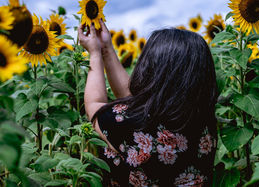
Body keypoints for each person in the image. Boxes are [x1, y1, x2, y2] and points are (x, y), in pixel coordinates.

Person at [78, 19, 218, 187]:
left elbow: (95, 104)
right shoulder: (203, 121)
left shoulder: (129, 125)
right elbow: (134, 100)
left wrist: (95, 54)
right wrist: (107, 49)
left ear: (150, 71)